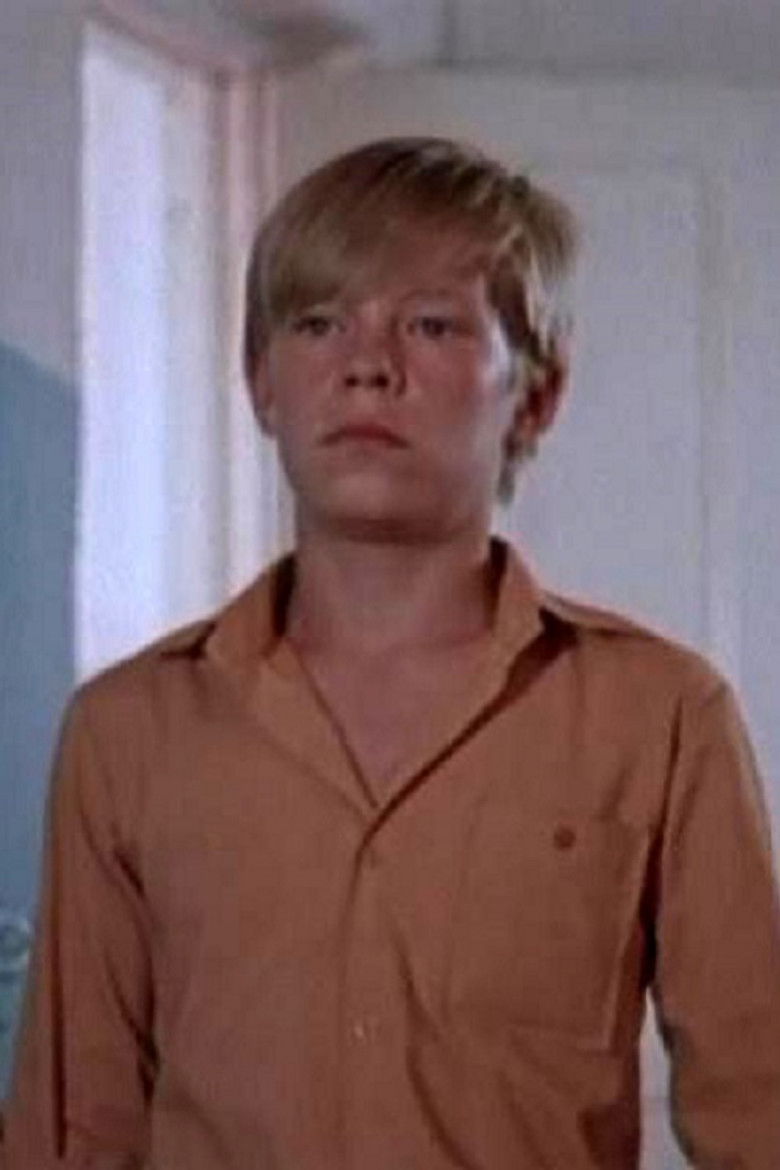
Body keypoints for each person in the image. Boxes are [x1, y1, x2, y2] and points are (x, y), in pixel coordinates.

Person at [3, 136, 780, 1170]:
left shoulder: (659, 716)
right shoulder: (132, 732)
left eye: (431, 324)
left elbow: (760, 1111)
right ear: (262, 383)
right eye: (318, 323)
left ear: (536, 394)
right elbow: (72, 1132)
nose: (367, 366)